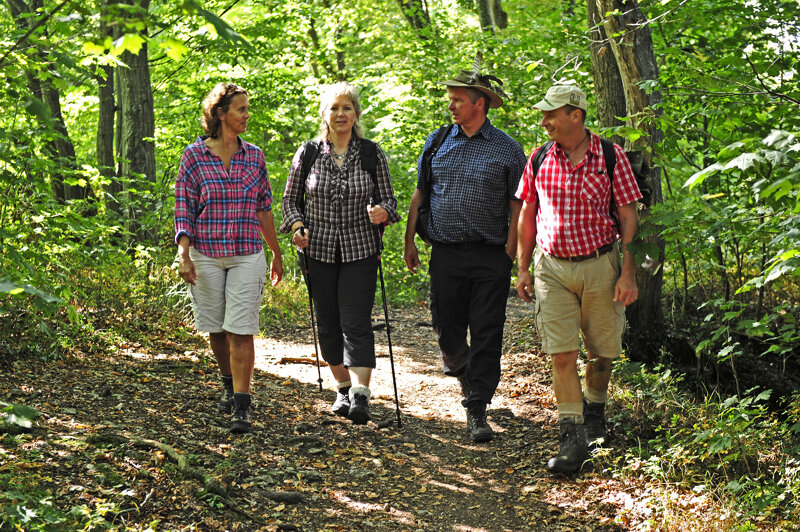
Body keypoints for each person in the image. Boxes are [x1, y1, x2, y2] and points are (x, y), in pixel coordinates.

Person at [515, 85, 642, 473]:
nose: (544, 121)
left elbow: (629, 217)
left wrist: (628, 273)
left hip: (600, 265)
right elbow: (527, 215)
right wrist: (522, 266)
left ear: (576, 115)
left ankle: (595, 412)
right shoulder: (538, 159)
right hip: (551, 268)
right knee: (562, 353)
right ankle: (571, 437)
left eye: (551, 113)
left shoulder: (610, 156)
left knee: (601, 353)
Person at [404, 57, 526, 443]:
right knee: (447, 328)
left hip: (491, 255)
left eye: (458, 99)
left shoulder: (508, 149)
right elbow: (421, 192)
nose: (451, 105)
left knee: (487, 331)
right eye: (450, 99)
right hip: (446, 252)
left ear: (480, 104)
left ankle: (477, 408)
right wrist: (409, 241)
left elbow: (519, 205)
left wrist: (511, 252)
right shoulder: (438, 141)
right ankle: (467, 375)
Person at [280, 81, 400, 425]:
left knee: (356, 322)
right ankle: (343, 388)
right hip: (317, 252)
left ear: (356, 113)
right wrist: (297, 225)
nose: (341, 114)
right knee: (329, 325)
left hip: (360, 250)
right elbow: (290, 201)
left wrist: (382, 212)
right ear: (325, 114)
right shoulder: (308, 153)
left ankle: (361, 394)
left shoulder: (371, 153)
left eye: (347, 107)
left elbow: (390, 202)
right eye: (334, 108)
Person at [174, 82, 284, 435]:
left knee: (242, 330)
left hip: (246, 254)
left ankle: (241, 405)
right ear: (220, 114)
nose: (246, 115)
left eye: (247, 109)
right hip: (205, 254)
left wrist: (276, 254)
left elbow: (264, 209)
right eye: (240, 109)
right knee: (217, 329)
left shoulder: (255, 156)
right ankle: (227, 383)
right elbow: (184, 210)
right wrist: (184, 254)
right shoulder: (193, 157)